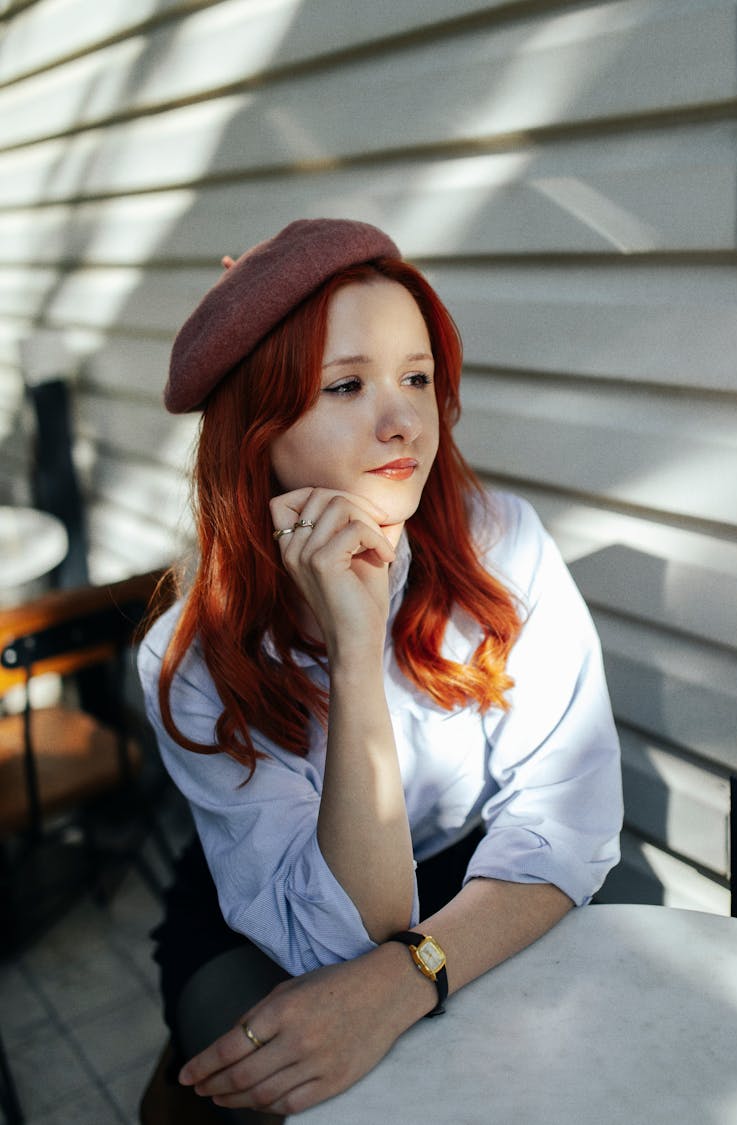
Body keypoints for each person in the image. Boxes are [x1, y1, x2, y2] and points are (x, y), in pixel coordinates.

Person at [138, 218, 622, 1121]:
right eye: (347, 385)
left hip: (479, 875)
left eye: (417, 378)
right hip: (267, 910)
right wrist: (356, 651)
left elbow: (565, 821)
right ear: (258, 433)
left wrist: (411, 975)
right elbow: (329, 940)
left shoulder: (503, 546)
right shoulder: (188, 655)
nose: (404, 420)